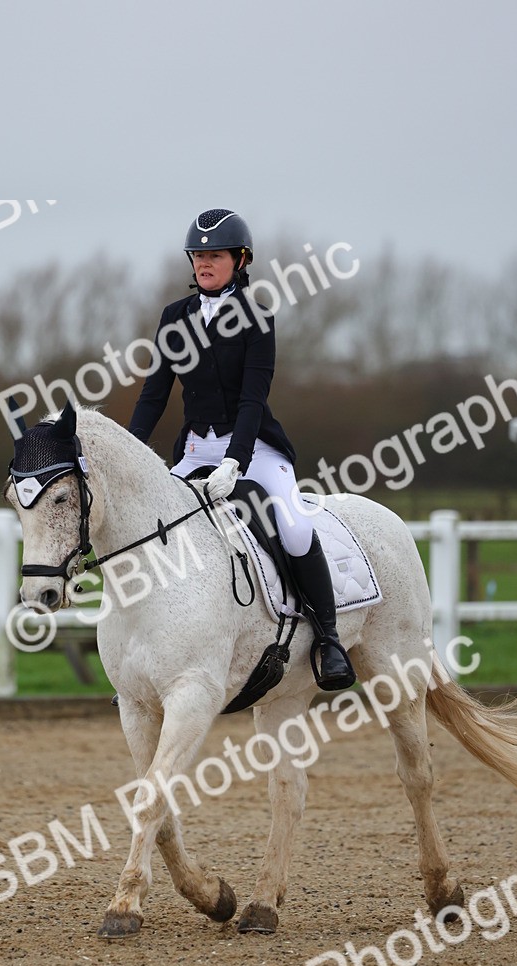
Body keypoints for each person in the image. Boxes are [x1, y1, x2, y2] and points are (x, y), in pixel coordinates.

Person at [128, 208, 355, 690]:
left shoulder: (256, 314)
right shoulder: (176, 317)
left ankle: (329, 639)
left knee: (293, 531)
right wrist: (128, 451)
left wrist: (236, 461)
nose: (204, 264)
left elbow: (254, 397)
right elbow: (154, 394)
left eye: (214, 255)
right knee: (155, 534)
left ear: (241, 259)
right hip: (194, 450)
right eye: (198, 256)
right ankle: (148, 653)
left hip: (255, 449)